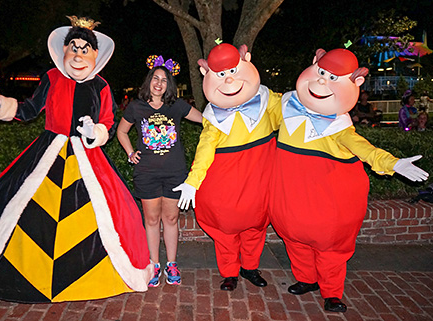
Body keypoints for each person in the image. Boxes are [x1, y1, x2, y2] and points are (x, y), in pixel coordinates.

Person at [0, 15, 153, 303]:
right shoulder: (52, 78)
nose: (78, 54)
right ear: (63, 52)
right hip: (47, 152)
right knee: (15, 205)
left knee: (114, 213)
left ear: (95, 55)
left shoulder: (101, 85)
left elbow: (110, 122)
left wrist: (97, 131)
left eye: (84, 49)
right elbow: (28, 110)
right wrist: (2, 105)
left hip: (88, 157)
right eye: (73, 47)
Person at [268, 48, 429, 313]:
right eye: (321, 72)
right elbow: (254, 98)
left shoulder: (339, 127)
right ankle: (306, 279)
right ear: (313, 64)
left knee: (329, 248)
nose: (322, 82)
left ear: (356, 83)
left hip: (324, 205)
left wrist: (394, 164)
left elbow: (366, 150)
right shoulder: (287, 106)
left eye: (334, 78)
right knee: (294, 241)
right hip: (289, 202)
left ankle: (331, 292)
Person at [174, 43, 282, 291]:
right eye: (221, 74)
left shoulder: (267, 101)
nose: (229, 80)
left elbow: (294, 117)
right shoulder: (213, 117)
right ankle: (230, 272)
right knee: (225, 231)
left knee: (255, 228)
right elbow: (204, 150)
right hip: (225, 184)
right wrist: (192, 182)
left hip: (258, 182)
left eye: (233, 70)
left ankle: (250, 268)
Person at [117, 55, 202, 287]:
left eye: (164, 80)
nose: (159, 83)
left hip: (175, 172)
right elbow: (121, 132)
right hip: (147, 173)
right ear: (149, 81)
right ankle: (154, 263)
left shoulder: (177, 106)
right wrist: (129, 152)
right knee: (152, 219)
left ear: (169, 85)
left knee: (171, 218)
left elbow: (206, 121)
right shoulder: (136, 106)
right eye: (155, 78)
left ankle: (171, 264)